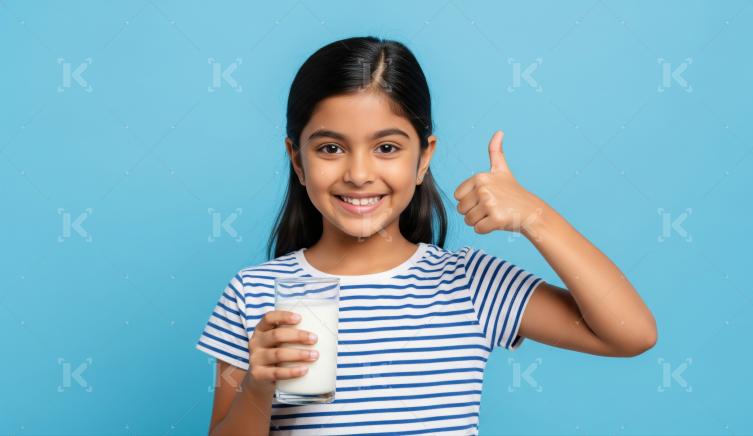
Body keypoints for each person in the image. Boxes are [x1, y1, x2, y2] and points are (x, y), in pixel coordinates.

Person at [196, 35, 657, 435]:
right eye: (331, 148)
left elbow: (630, 334)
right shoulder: (254, 293)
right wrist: (259, 384)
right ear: (298, 161)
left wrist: (536, 217)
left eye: (387, 147)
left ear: (423, 158)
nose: (359, 173)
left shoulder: (470, 284)